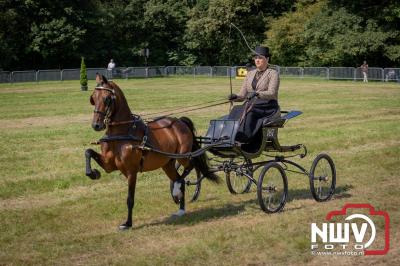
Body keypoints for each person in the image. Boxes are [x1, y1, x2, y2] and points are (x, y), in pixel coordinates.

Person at [228, 46, 280, 142]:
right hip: (252, 104)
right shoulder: (250, 74)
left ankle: (244, 138)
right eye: (256, 58)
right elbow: (242, 95)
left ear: (267, 59)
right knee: (236, 109)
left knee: (250, 113)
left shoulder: (273, 73)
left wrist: (257, 94)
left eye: (260, 58)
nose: (257, 60)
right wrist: (235, 97)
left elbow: (272, 93)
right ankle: (229, 135)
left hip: (267, 105)